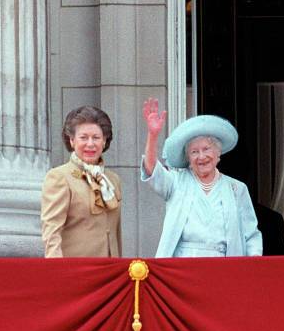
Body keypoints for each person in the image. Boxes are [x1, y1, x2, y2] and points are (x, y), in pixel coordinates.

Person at [141, 97, 262, 258]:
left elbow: (251, 234)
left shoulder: (237, 189)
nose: (201, 156)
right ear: (188, 158)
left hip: (224, 268)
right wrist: (153, 135)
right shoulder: (176, 182)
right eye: (194, 152)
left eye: (206, 149)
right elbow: (152, 171)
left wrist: (253, 263)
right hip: (183, 266)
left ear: (218, 153)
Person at [41, 106, 122, 257]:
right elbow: (51, 232)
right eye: (83, 137)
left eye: (96, 138)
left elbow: (115, 234)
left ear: (104, 141)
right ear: (72, 141)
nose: (90, 144)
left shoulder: (112, 180)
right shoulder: (59, 177)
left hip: (110, 272)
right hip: (75, 273)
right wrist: (56, 273)